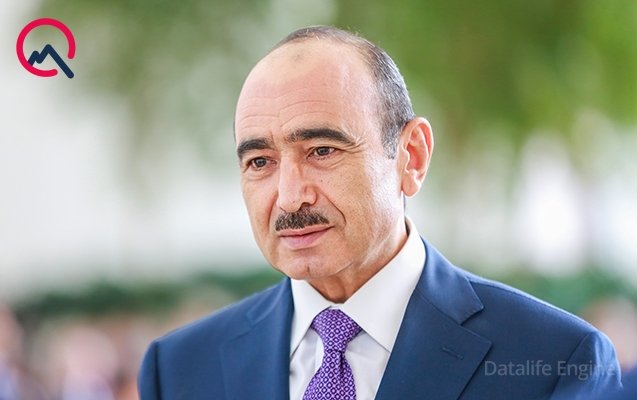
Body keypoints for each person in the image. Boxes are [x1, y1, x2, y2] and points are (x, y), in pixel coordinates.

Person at [138, 26, 621, 399]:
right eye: (260, 162)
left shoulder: (557, 362)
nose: (289, 197)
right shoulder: (178, 370)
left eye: (322, 151)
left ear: (412, 157)